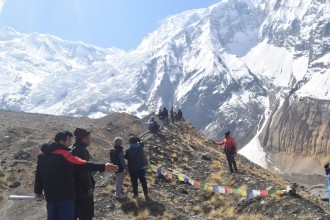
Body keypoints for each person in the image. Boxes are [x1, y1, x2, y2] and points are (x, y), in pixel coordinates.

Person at [34, 131, 118, 220]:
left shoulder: (42, 156)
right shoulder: (64, 154)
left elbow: (38, 174)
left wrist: (38, 192)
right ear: (61, 142)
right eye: (69, 140)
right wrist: (103, 166)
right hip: (65, 197)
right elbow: (82, 164)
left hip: (50, 197)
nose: (71, 144)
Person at [70, 128, 99, 220]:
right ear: (84, 138)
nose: (90, 139)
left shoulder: (73, 149)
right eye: (89, 137)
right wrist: (89, 186)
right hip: (82, 188)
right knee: (87, 214)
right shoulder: (82, 150)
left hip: (75, 186)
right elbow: (84, 170)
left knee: (78, 212)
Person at [124, 135, 150, 201]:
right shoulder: (140, 146)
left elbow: (126, 157)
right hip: (141, 167)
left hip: (133, 168)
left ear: (130, 142)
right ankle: (146, 195)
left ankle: (135, 195)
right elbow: (141, 142)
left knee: (134, 182)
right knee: (143, 181)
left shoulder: (128, 150)